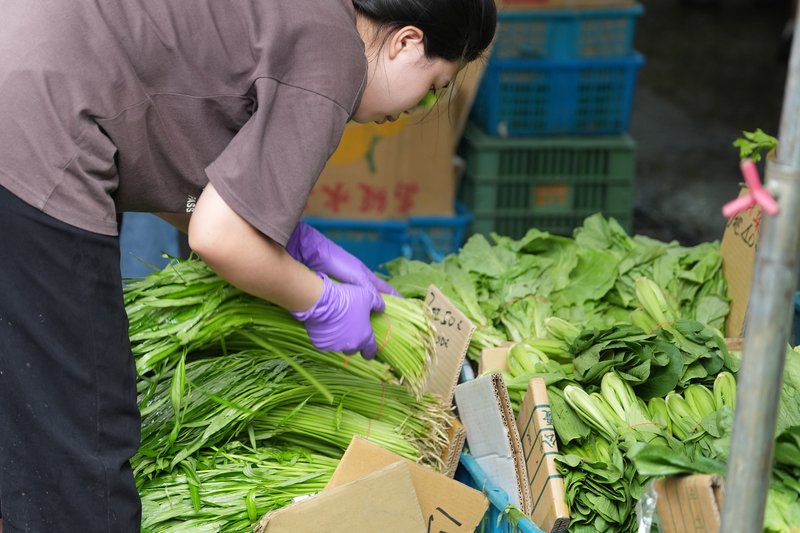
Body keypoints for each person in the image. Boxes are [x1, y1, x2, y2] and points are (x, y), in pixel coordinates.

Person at [0, 0, 496, 531]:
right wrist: (320, 300)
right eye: (435, 86)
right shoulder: (337, 53)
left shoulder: (304, 15)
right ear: (405, 42)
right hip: (39, 130)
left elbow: (196, 198)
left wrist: (289, 239)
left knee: (29, 404)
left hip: (27, 85)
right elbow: (217, 238)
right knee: (85, 435)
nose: (419, 106)